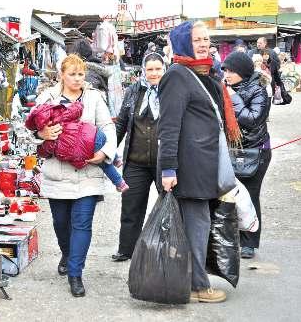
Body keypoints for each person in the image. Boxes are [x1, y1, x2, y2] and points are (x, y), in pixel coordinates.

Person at [158, 20, 236, 303]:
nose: (204, 44)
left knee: (197, 224)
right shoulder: (177, 75)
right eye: (197, 39)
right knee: (197, 225)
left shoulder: (204, 72)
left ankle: (192, 281)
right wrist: (168, 168)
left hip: (203, 164)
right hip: (187, 167)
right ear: (182, 43)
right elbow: (168, 127)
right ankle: (198, 287)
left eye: (206, 39)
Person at [34, 54, 116, 297]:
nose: (77, 79)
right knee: (61, 223)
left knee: (82, 223)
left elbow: (107, 127)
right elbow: (32, 127)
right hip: (57, 173)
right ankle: (67, 253)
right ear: (62, 75)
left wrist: (104, 152)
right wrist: (43, 134)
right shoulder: (47, 97)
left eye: (81, 74)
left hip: (88, 171)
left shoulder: (94, 98)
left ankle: (75, 273)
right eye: (72, 74)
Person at [111, 52, 166, 262]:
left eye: (157, 69)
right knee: (131, 208)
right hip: (136, 162)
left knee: (168, 208)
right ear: (143, 70)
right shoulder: (134, 91)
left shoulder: (171, 91)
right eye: (149, 69)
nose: (153, 73)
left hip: (164, 162)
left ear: (164, 69)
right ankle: (127, 249)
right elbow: (122, 124)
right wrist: (108, 149)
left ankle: (165, 249)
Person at [221, 51, 272, 259]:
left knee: (250, 195)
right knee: (231, 195)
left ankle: (250, 242)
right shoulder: (226, 87)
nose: (227, 74)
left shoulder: (259, 90)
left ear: (242, 72)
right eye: (225, 70)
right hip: (230, 149)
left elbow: (253, 119)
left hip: (254, 151)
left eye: (231, 70)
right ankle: (233, 238)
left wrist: (233, 98)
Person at [25, 100, 128, 192]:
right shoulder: (61, 114)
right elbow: (76, 110)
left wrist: (41, 139)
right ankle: (116, 158)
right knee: (102, 146)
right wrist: (77, 103)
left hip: (85, 151)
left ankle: (120, 183)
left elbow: (45, 152)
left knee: (104, 164)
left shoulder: (50, 136)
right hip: (93, 133)